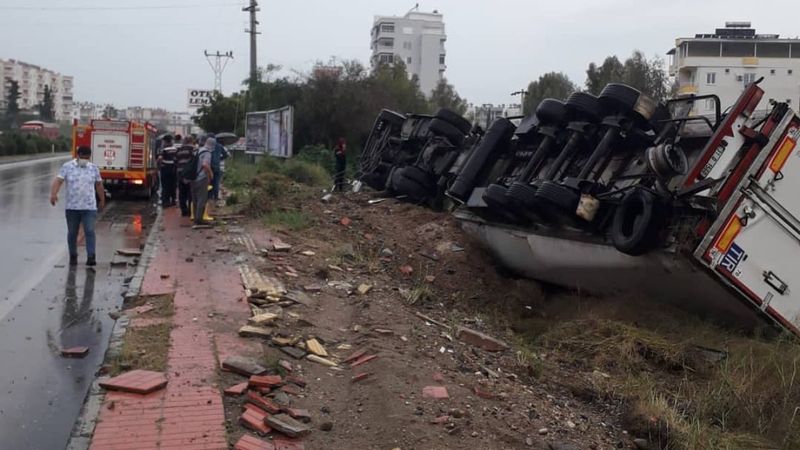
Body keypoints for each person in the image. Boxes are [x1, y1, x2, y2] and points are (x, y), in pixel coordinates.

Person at [49, 146, 106, 266]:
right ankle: (73, 255)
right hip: (72, 207)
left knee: (89, 231)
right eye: (83, 157)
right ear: (78, 155)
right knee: (72, 233)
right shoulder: (67, 167)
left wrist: (102, 199)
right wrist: (53, 194)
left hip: (89, 207)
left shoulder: (93, 168)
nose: (85, 159)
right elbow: (58, 181)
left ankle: (91, 257)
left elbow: (99, 185)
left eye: (87, 157)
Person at [191, 137, 214, 226]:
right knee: (202, 199)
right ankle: (199, 219)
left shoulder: (198, 150)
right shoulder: (207, 153)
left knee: (195, 199)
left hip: (193, 178)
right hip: (201, 178)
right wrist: (211, 173)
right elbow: (205, 164)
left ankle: (196, 218)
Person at [175, 135, 196, 217]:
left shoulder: (179, 150)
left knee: (182, 193)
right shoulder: (194, 149)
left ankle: (183, 210)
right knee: (190, 193)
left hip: (180, 173)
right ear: (191, 141)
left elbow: (175, 161)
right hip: (190, 174)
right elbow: (195, 161)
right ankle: (190, 211)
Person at [157, 135, 178, 207]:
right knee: (173, 185)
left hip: (165, 169)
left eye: (163, 141)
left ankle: (166, 202)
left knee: (165, 186)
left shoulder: (164, 149)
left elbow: (160, 158)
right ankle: (173, 200)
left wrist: (159, 165)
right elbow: (177, 158)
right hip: (174, 169)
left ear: (165, 141)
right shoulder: (175, 149)